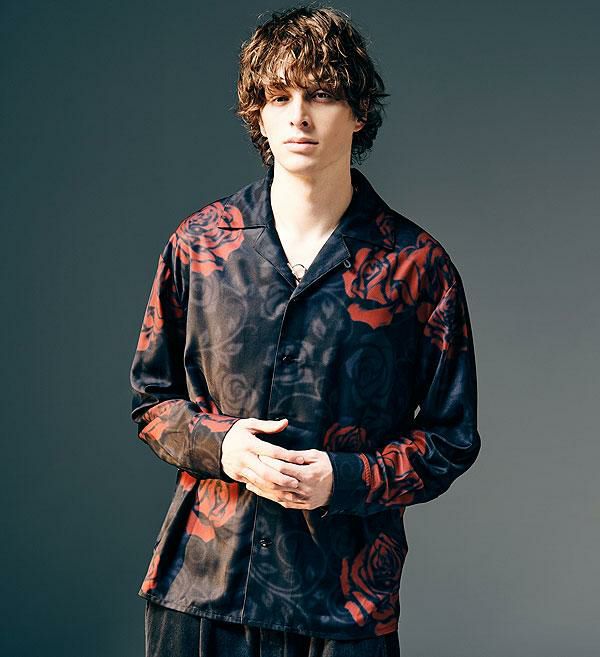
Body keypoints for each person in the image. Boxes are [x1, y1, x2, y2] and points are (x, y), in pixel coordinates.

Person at [129, 5, 482, 657]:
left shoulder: (417, 266)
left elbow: (449, 439)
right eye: (280, 95)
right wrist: (223, 447)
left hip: (343, 606)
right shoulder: (199, 245)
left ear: (358, 112)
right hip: (203, 592)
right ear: (258, 114)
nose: (299, 115)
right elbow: (152, 403)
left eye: (321, 94)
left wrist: (344, 478)